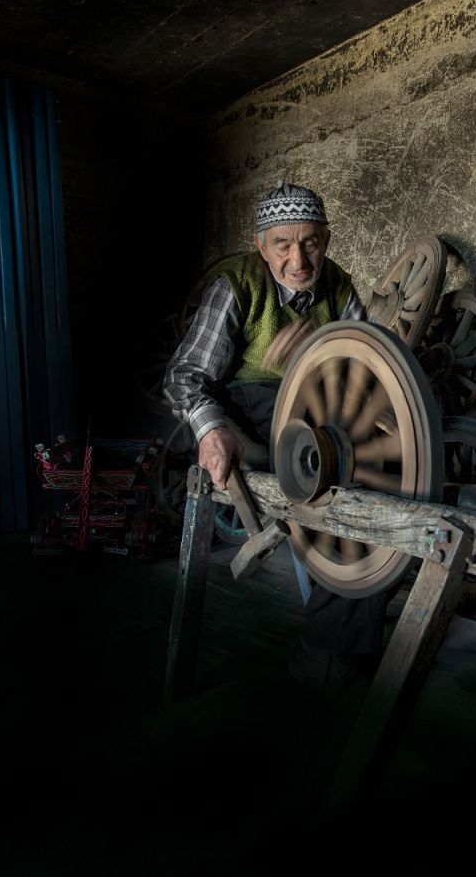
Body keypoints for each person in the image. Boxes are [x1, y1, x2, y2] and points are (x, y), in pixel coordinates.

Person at [164, 180, 382, 689]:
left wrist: (322, 344)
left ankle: (337, 646)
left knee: (369, 479)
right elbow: (183, 376)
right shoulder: (237, 285)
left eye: (310, 242)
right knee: (332, 479)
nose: (298, 259)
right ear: (262, 246)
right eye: (282, 244)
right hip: (249, 410)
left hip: (318, 415)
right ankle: (334, 652)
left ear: (326, 240)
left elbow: (366, 366)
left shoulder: (339, 285)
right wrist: (212, 429)